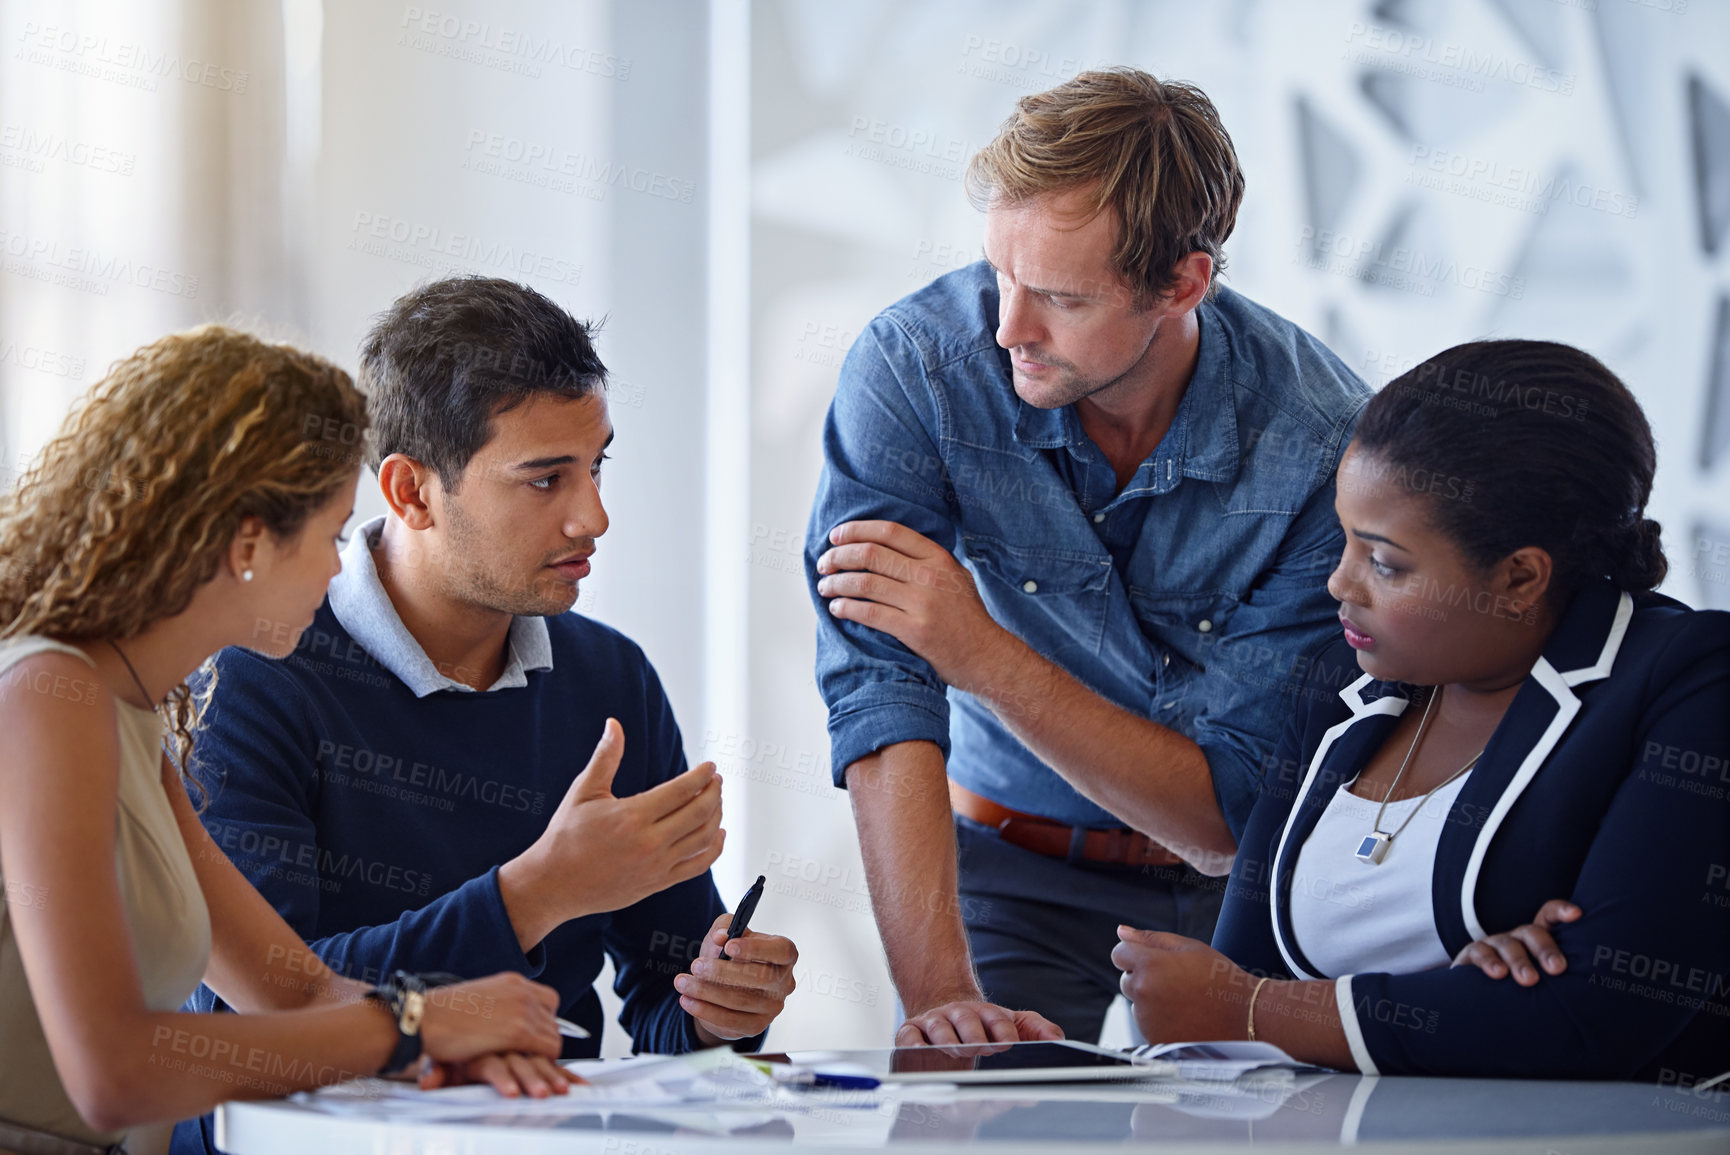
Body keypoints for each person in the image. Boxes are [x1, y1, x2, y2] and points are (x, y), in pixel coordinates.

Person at [806, 67, 1369, 1046]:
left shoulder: (1323, 449)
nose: (1006, 327)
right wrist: (942, 997)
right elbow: (877, 691)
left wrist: (978, 652)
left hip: (1246, 891)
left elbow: (1222, 824)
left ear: (1181, 283)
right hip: (1003, 869)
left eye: (1058, 297)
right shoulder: (914, 368)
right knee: (966, 1114)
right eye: (999, 274)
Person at [170, 277, 798, 1152]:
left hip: (533, 1132)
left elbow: (664, 1002)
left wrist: (721, 1009)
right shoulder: (253, 670)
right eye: (545, 479)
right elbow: (262, 1002)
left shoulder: (609, 675)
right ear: (412, 491)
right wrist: (535, 894)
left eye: (596, 465)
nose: (595, 516)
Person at [0, 327, 571, 1155]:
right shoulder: (47, 699)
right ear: (247, 544)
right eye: (333, 534)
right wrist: (412, 1027)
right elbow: (114, 1072)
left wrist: (449, 1037)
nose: (342, 571)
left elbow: (295, 991)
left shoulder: (130, 719)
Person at [1111, 339, 1730, 1082]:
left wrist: (1258, 1012)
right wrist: (1455, 998)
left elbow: (1598, 1015)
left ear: (1520, 577)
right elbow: (1245, 962)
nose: (1341, 583)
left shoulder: (1688, 679)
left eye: (1385, 562)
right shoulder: (1342, 678)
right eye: (1343, 540)